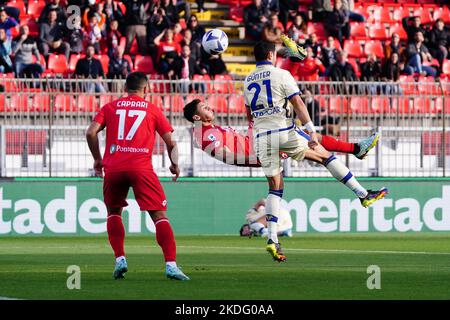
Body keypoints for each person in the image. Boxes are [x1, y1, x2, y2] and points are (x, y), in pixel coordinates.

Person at [243, 40, 387, 261]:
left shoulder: (247, 80)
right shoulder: (281, 74)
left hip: (261, 137)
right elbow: (299, 104)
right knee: (324, 155)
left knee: (275, 187)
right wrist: (310, 130)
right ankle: (363, 194)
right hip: (282, 129)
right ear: (272, 55)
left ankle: (272, 239)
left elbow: (249, 115)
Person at [85, 72, 189, 281]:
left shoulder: (110, 107)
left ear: (125, 88)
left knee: (114, 213)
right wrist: (175, 164)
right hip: (141, 168)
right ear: (146, 89)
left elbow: (90, 132)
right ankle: (170, 265)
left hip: (113, 168)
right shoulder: (152, 109)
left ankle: (120, 259)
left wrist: (97, 159)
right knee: (159, 216)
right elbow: (171, 142)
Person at [183, 98, 377, 168]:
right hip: (259, 150)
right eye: (204, 108)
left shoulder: (212, 129)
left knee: (303, 135)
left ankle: (354, 150)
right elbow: (227, 156)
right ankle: (354, 153)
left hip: (258, 143)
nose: (209, 108)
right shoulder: (204, 134)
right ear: (197, 117)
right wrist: (257, 158)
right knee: (310, 145)